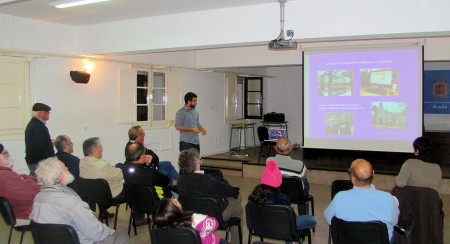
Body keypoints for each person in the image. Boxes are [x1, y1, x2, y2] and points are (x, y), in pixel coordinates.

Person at [29, 157, 129, 244]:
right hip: (80, 241)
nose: (67, 168)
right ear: (59, 176)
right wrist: (109, 231)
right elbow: (96, 234)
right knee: (122, 236)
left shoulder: (38, 198)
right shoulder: (71, 202)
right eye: (64, 167)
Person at [324, 159, 399, 243]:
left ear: (353, 179)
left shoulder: (339, 197)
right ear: (373, 174)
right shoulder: (387, 199)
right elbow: (394, 222)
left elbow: (328, 218)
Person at [176, 148, 242, 244]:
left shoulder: (180, 181)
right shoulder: (209, 180)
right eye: (199, 161)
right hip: (214, 214)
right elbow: (231, 191)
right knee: (238, 203)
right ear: (196, 165)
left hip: (191, 214)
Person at [248, 160, 317, 244]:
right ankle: (291, 241)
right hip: (283, 226)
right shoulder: (282, 197)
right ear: (279, 181)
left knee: (287, 223)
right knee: (312, 219)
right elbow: (289, 218)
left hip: (262, 226)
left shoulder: (254, 196)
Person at [123, 142, 172, 226]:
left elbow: (138, 172)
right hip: (152, 204)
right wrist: (150, 166)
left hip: (135, 203)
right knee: (170, 190)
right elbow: (165, 180)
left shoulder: (125, 168)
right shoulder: (149, 173)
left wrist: (145, 164)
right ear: (141, 156)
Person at [152, 198, 227, 244]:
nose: (175, 199)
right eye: (174, 201)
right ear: (176, 209)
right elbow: (215, 224)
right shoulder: (194, 218)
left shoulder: (157, 227)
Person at [0, 144, 40, 226]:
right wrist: (31, 180)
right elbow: (33, 191)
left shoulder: (5, 173)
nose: (9, 155)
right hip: (25, 212)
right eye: (5, 153)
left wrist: (25, 178)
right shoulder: (5, 176)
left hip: (18, 209)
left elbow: (20, 180)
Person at [25, 102, 55, 176]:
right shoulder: (37, 126)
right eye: (46, 112)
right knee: (39, 183)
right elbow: (39, 147)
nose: (48, 114)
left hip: (36, 161)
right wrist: (47, 162)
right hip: (38, 163)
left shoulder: (35, 124)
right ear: (39, 113)